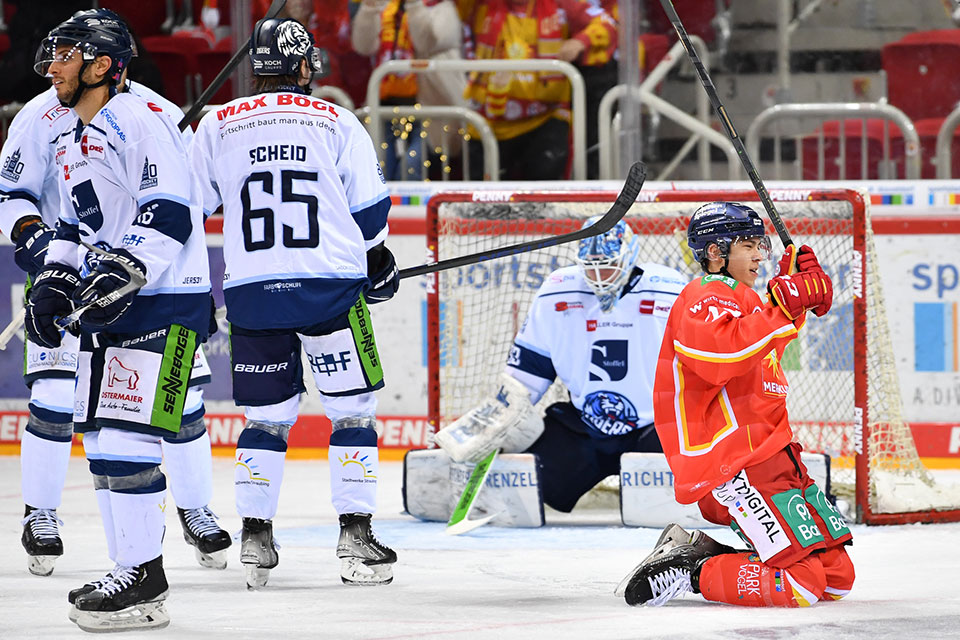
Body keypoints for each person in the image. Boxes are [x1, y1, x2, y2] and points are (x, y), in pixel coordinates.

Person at [0, 8, 228, 584]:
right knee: (87, 422)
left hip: (160, 291)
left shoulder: (147, 117)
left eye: (65, 55)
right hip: (102, 286)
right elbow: (60, 213)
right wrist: (53, 271)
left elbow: (179, 209)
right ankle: (86, 542)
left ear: (101, 64)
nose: (52, 66)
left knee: (158, 420)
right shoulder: (64, 126)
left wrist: (127, 263)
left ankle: (156, 554)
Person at [188, 17, 400, 589]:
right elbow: (369, 215)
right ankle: (356, 537)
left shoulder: (215, 124)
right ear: (304, 66)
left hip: (252, 293)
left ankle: (255, 537)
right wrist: (375, 258)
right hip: (329, 290)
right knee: (352, 413)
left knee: (264, 420)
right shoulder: (336, 120)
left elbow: (190, 207)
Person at [616, 202, 855, 608]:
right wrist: (787, 302)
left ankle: (700, 552)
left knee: (836, 580)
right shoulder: (703, 295)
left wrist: (796, 291)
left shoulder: (744, 299)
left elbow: (764, 335)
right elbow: (722, 356)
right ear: (715, 252)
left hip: (775, 452)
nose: (761, 254)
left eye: (761, 244)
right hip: (736, 462)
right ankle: (692, 573)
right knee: (799, 587)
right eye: (748, 244)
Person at [434, 217, 687, 513]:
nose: (598, 275)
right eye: (589, 266)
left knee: (668, 509)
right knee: (525, 491)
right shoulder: (557, 292)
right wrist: (496, 425)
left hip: (656, 430)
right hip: (584, 428)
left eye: (607, 264)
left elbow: (698, 367)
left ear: (629, 257)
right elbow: (527, 375)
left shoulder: (670, 290)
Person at [458, 0, 618, 180]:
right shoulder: (478, 4)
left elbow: (608, 23)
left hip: (545, 118)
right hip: (487, 124)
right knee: (483, 201)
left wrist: (580, 41)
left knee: (545, 195)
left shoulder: (562, 4)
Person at [352, 0, 466, 180]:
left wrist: (413, 5)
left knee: (411, 168)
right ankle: (385, 208)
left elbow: (425, 43)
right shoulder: (387, 7)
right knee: (380, 171)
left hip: (429, 111)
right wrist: (369, 9)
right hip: (386, 107)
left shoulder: (442, 8)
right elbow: (363, 46)